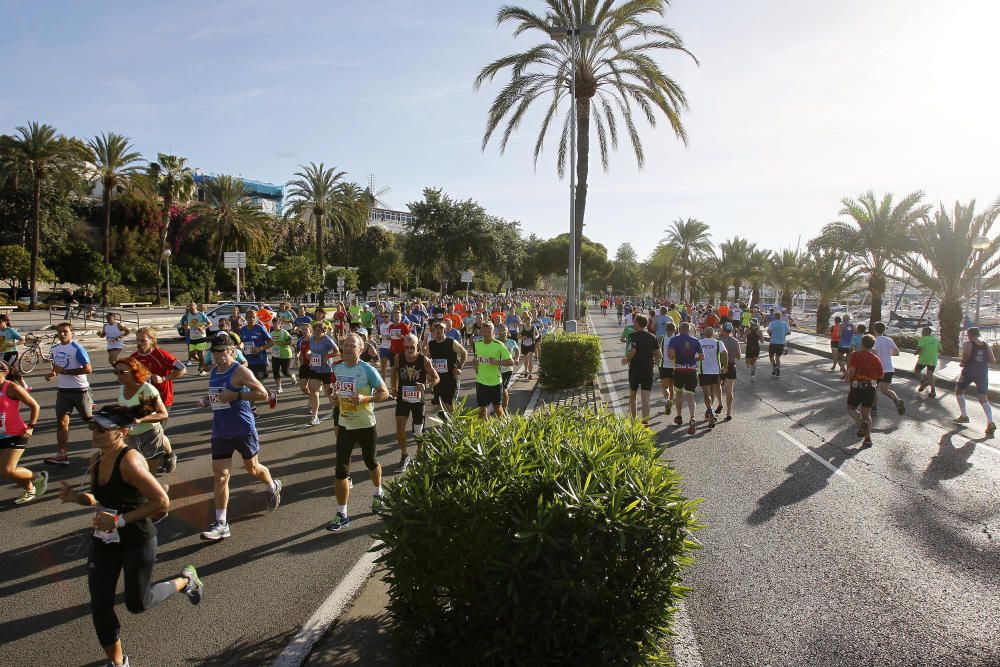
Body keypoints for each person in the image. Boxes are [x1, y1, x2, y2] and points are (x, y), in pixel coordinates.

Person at [57, 402, 204, 667]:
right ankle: (118, 662)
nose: (95, 431)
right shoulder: (97, 458)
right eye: (93, 426)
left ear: (122, 432)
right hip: (104, 541)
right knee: (100, 604)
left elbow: (161, 501)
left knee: (138, 603)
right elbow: (98, 497)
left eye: (102, 428)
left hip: (136, 539)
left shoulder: (131, 462)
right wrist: (76, 497)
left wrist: (118, 520)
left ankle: (185, 580)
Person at [198, 334, 282, 541]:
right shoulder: (215, 371)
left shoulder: (240, 371)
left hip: (243, 428)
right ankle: (221, 523)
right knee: (220, 476)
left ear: (232, 351)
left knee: (252, 468)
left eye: (222, 352)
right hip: (220, 430)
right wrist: (207, 401)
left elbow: (263, 394)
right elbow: (218, 395)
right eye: (214, 352)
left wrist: (236, 395)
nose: (217, 356)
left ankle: (272, 485)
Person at [328, 333, 390, 532]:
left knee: (370, 462)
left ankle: (378, 492)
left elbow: (384, 393)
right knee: (340, 470)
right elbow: (333, 394)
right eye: (345, 345)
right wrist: (334, 398)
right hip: (345, 424)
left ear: (360, 349)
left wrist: (365, 399)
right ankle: (342, 513)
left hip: (365, 424)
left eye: (351, 346)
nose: (347, 348)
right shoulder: (337, 368)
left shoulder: (367, 370)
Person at [129, 328, 185, 474]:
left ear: (152, 341)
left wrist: (164, 378)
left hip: (163, 399)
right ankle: (149, 458)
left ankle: (169, 455)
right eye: (137, 340)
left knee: (157, 432)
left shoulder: (162, 355)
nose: (139, 344)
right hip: (144, 399)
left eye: (143, 341)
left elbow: (182, 369)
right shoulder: (134, 358)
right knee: (145, 430)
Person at [114, 357, 172, 484]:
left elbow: (163, 414)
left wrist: (142, 419)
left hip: (150, 434)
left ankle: (156, 498)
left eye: (122, 372)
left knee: (150, 474)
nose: (118, 375)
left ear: (134, 371)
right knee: (135, 471)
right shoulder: (122, 389)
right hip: (131, 436)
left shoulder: (146, 390)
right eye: (116, 372)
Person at [44, 322, 93, 466]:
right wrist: (52, 373)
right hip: (63, 391)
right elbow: (57, 366)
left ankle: (114, 445)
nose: (62, 334)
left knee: (90, 422)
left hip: (81, 391)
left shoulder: (77, 348)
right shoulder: (55, 348)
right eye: (59, 331)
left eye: (65, 331)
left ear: (72, 333)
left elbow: (88, 369)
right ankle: (62, 454)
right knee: (62, 423)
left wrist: (66, 372)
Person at [0, 360, 45, 504]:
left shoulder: (11, 388)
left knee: (7, 470)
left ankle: (38, 477)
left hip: (16, 433)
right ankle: (30, 489)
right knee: (9, 469)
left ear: (4, 372)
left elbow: (35, 406)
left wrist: (31, 426)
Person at [391, 334, 439, 469]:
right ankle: (404, 455)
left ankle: (419, 452)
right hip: (403, 398)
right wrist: (393, 387)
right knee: (400, 428)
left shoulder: (424, 360)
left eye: (412, 347)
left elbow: (436, 377)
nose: (409, 350)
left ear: (417, 346)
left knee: (418, 431)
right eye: (406, 347)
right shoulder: (398, 358)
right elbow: (393, 372)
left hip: (418, 399)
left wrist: (427, 386)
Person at [953, 327, 996, 436]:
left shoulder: (968, 344)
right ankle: (990, 422)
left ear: (969, 334)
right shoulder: (986, 345)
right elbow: (993, 360)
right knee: (983, 398)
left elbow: (966, 355)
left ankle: (964, 416)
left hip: (969, 371)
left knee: (959, 391)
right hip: (982, 373)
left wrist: (963, 362)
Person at [846, 334, 883, 448]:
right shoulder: (876, 359)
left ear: (862, 344)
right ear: (872, 346)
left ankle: (860, 422)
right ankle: (868, 439)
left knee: (851, 408)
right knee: (867, 414)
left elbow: (852, 371)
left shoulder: (856, 355)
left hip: (857, 386)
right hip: (870, 388)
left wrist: (850, 380)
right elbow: (881, 375)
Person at [623, 314, 659, 426]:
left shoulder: (632, 336)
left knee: (633, 396)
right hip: (648, 369)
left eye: (634, 322)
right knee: (646, 398)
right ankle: (645, 422)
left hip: (635, 369)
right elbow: (659, 355)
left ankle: (633, 422)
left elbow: (633, 351)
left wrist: (626, 359)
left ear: (637, 323)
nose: (633, 323)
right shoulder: (652, 337)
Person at [667, 322, 704, 435]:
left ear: (679, 329)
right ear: (689, 330)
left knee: (678, 394)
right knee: (690, 397)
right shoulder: (696, 340)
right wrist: (693, 360)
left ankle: (678, 416)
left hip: (679, 370)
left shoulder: (674, 340)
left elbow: (671, 356)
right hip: (692, 370)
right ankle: (692, 418)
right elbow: (702, 356)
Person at [473, 321, 514, 419]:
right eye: (485, 331)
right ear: (481, 332)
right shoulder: (477, 344)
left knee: (497, 409)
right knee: (482, 409)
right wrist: (475, 365)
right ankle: (485, 431)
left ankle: (504, 427)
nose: (487, 333)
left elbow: (511, 362)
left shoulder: (499, 345)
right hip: (481, 381)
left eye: (489, 331)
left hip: (495, 382)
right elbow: (477, 361)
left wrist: (497, 362)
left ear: (493, 332)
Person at [302, 321, 339, 427]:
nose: (317, 332)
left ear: (324, 331)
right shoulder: (312, 339)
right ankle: (315, 416)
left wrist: (327, 357)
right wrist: (308, 354)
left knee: (329, 393)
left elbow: (337, 352)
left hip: (327, 370)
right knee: (314, 392)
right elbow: (310, 349)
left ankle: (335, 410)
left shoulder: (327, 340)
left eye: (319, 331)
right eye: (315, 330)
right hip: (315, 368)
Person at [427, 320, 468, 415]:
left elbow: (464, 353)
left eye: (440, 328)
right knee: (440, 404)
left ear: (445, 330)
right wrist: (429, 374)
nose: (438, 330)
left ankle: (454, 425)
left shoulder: (451, 342)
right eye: (436, 328)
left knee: (450, 404)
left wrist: (459, 367)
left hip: (451, 378)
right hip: (438, 378)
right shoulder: (431, 344)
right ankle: (446, 424)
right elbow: (428, 359)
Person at [871, 321, 905, 417]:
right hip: (889, 369)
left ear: (874, 330)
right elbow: (897, 352)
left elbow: (873, 353)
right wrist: (886, 353)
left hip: (877, 371)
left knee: (873, 389)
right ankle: (897, 401)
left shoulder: (874, 340)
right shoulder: (888, 340)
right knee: (885, 389)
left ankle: (874, 409)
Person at [698, 326, 727, 427]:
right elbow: (725, 353)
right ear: (713, 333)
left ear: (704, 334)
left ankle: (710, 411)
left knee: (707, 394)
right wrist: (725, 366)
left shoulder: (700, 343)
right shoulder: (718, 343)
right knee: (713, 390)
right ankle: (713, 409)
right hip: (715, 371)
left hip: (703, 371)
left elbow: (695, 356)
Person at [496, 325, 521, 412]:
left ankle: (504, 408)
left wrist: (517, 358)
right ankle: (497, 407)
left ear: (508, 333)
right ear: (498, 333)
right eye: (500, 331)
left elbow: (517, 350)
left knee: (503, 389)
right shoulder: (495, 342)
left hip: (507, 369)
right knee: (496, 390)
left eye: (504, 331)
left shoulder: (511, 342)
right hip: (496, 370)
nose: (502, 333)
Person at [719, 322, 740, 421]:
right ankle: (728, 412)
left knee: (716, 388)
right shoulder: (735, 341)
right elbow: (739, 356)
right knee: (729, 390)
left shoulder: (718, 341)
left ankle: (717, 406)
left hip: (720, 366)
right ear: (731, 330)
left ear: (722, 330)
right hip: (731, 366)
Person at [181, 303, 210, 374]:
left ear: (196, 307)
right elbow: (185, 325)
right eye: (189, 309)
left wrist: (203, 328)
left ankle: (201, 368)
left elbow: (209, 323)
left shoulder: (201, 314)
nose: (190, 310)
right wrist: (186, 327)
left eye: (192, 309)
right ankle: (203, 363)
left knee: (200, 354)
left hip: (201, 337)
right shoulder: (188, 316)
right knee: (192, 355)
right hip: (192, 337)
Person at [915, 326, 942, 398]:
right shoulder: (935, 340)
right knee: (930, 375)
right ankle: (933, 391)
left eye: (922, 332)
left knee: (917, 370)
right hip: (933, 359)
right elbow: (940, 350)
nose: (922, 333)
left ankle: (923, 381)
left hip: (923, 359)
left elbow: (919, 348)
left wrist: (916, 352)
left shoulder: (922, 339)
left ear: (924, 332)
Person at [659, 321, 677, 419]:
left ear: (666, 329)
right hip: (674, 366)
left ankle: (666, 401)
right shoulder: (676, 339)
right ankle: (670, 401)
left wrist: (656, 361)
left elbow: (657, 351)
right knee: (672, 386)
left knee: (665, 387)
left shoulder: (662, 338)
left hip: (664, 365)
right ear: (674, 329)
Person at [270, 324, 295, 393]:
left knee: (285, 372)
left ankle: (292, 375)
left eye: (276, 324)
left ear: (280, 324)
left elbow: (291, 342)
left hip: (285, 354)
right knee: (275, 371)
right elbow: (270, 342)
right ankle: (279, 387)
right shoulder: (271, 333)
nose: (274, 326)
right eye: (273, 324)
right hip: (275, 355)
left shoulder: (284, 332)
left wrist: (282, 343)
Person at [766, 311, 790, 377]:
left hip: (773, 342)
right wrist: (783, 334)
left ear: (775, 317)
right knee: (778, 358)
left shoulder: (772, 323)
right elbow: (789, 332)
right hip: (781, 343)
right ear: (780, 317)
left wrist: (771, 333)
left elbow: (768, 331)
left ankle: (774, 366)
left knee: (771, 356)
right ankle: (777, 372)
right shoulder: (784, 324)